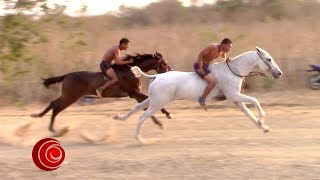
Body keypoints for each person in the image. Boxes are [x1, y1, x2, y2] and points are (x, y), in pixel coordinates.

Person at [193, 38, 233, 110]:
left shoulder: (222, 51)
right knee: (213, 82)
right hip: (199, 66)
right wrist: (200, 68)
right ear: (223, 44)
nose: (229, 48)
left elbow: (224, 57)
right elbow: (200, 55)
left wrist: (226, 59)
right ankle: (202, 99)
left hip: (207, 66)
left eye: (230, 47)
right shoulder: (213, 47)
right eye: (229, 46)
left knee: (220, 76)